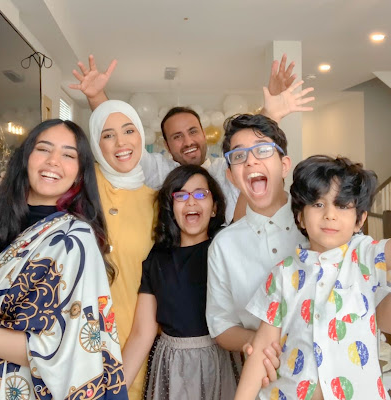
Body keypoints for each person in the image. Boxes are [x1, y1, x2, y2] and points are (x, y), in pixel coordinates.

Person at [69, 55, 314, 224]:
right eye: (177, 137)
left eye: (193, 131)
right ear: (167, 146)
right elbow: (123, 143)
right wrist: (96, 96)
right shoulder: (158, 170)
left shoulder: (226, 170)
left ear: (203, 134)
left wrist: (271, 112)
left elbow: (251, 150)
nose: (188, 141)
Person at [0, 119, 128, 399]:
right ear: (25, 159)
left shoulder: (73, 239)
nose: (53, 161)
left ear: (79, 173)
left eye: (68, 155)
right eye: (43, 149)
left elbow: (64, 350)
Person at [235, 155, 391, 400]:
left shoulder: (364, 255)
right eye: (318, 204)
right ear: (300, 216)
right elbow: (263, 347)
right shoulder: (283, 273)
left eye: (342, 205)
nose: (330, 214)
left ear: (359, 219)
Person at [121, 165, 278, 399]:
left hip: (220, 363)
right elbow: (141, 333)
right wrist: (114, 393)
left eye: (201, 194)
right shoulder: (157, 258)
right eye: (181, 196)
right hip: (172, 369)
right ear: (170, 208)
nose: (191, 202)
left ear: (214, 207)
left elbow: (249, 203)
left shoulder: (225, 247)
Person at [206, 113, 309, 358]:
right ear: (231, 176)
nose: (250, 161)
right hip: (266, 373)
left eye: (262, 150)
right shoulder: (224, 245)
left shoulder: (319, 224)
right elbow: (221, 324)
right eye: (239, 156)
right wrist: (264, 344)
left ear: (284, 165)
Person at [89, 100, 156, 400]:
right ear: (96, 143)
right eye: (108, 135)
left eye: (129, 130)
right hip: (75, 341)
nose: (121, 142)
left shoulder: (159, 204)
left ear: (141, 135)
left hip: (133, 343)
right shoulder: (82, 188)